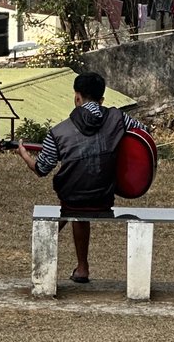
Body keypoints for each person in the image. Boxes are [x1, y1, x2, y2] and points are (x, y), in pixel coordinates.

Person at [17, 71, 145, 283]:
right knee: (82, 200)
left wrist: (24, 154)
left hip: (72, 200)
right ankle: (81, 267)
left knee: (75, 200)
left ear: (77, 97)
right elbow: (143, 134)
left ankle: (66, 262)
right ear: (102, 99)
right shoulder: (119, 118)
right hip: (103, 198)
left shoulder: (58, 132)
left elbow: (41, 168)